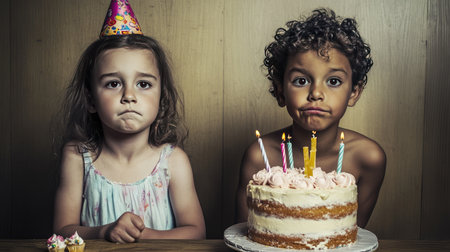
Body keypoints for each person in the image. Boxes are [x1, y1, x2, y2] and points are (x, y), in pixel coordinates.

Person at [53, 0, 205, 243]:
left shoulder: (173, 161)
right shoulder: (78, 157)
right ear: (91, 99)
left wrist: (139, 235)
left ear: (161, 99)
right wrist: (104, 231)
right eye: (113, 83)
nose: (129, 96)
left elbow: (196, 232)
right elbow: (61, 229)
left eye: (143, 84)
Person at [235, 8, 386, 228]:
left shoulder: (369, 158)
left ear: (354, 93)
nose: (316, 93)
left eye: (333, 81)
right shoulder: (260, 155)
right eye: (301, 81)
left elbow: (351, 234)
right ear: (280, 92)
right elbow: (245, 233)